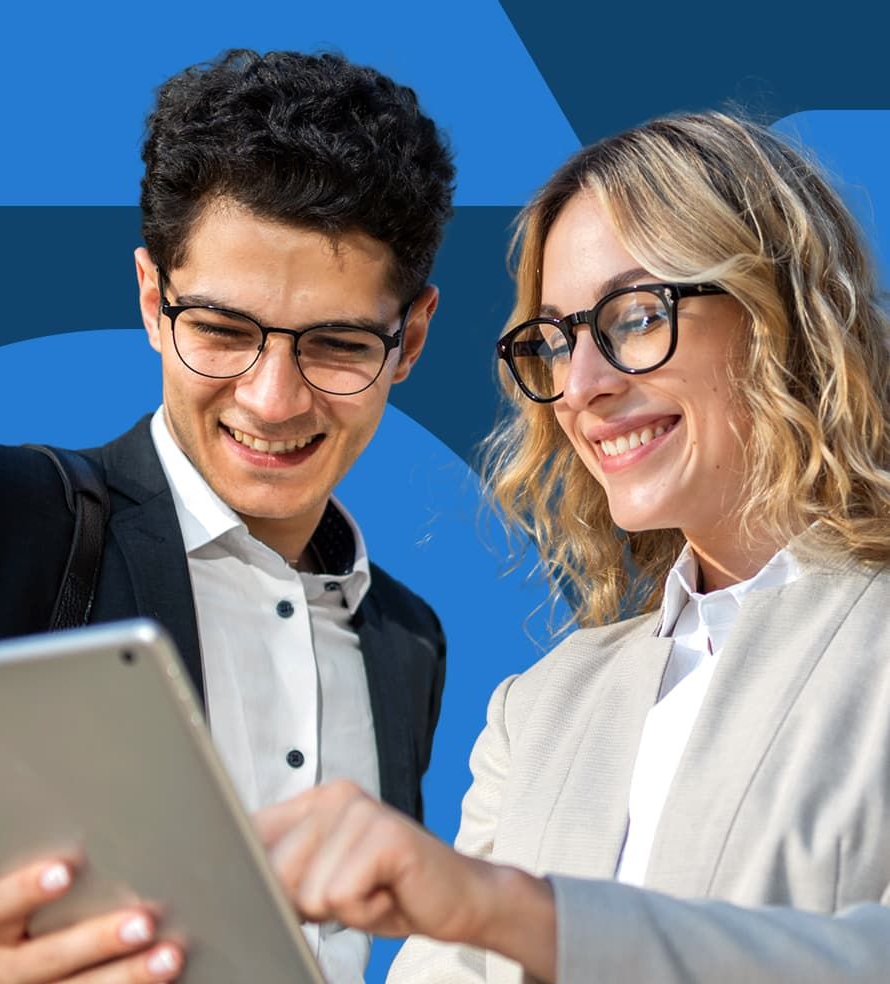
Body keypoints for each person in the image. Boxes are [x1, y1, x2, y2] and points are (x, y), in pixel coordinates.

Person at [0, 49, 453, 984]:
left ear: (409, 338)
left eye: (336, 345)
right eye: (221, 331)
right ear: (150, 298)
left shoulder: (408, 644)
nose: (272, 398)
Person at [248, 112, 890, 982]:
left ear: (777, 314)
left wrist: (516, 913)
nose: (582, 387)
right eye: (554, 342)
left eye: (633, 317)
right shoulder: (542, 710)